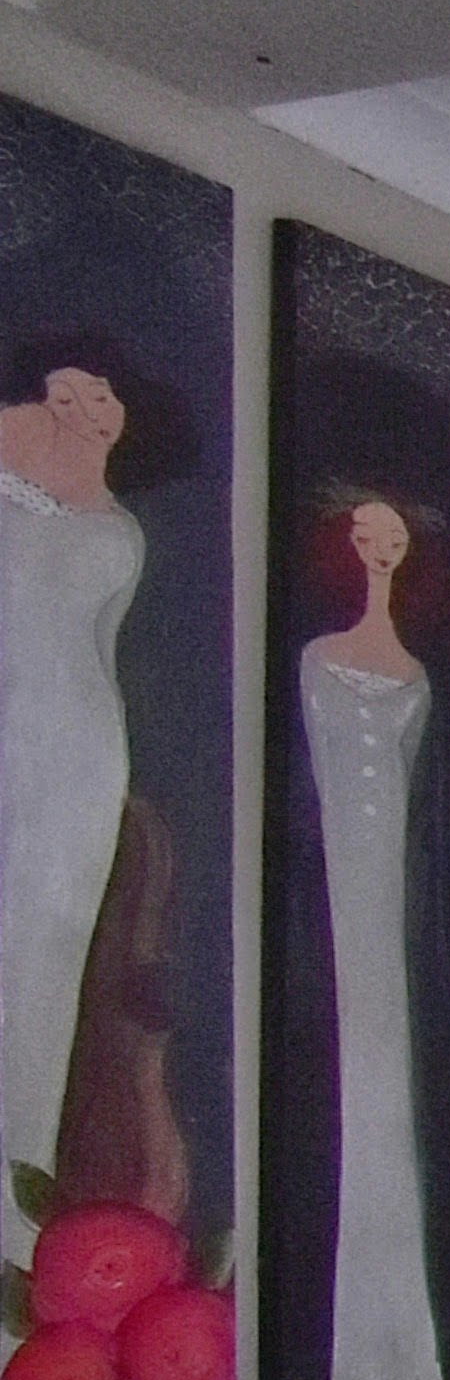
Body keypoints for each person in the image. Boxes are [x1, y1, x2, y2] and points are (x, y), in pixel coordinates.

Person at [0, 336, 176, 1259]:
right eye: (77, 393)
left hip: (79, 759)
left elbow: (98, 658)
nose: (92, 412)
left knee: (44, 979)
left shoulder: (120, 528)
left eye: (108, 400)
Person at [298, 494, 447, 1380]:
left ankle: (394, 1340)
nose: (380, 551)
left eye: (394, 540)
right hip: (325, 884)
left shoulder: (417, 676)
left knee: (383, 1064)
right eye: (366, 537)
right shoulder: (317, 658)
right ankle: (349, 1346)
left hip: (383, 894)